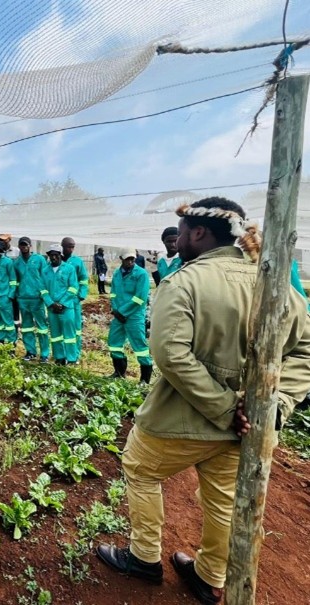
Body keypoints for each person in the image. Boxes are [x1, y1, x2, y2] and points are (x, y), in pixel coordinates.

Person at [96, 197, 310, 605]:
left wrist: (226, 409)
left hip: (178, 421)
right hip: (247, 427)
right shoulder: (276, 283)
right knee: (225, 499)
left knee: (140, 470)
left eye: (180, 233)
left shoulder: (185, 281)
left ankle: (143, 559)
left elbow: (172, 354)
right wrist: (273, 406)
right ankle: (209, 575)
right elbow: (304, 349)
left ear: (198, 233)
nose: (176, 241)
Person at [107, 249, 153, 383]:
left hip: (134, 316)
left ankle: (145, 379)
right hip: (118, 315)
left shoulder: (141, 274)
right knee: (114, 343)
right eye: (128, 259)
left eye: (133, 259)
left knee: (139, 346)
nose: (131, 261)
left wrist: (122, 312)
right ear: (121, 258)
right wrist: (115, 309)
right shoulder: (116, 274)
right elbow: (113, 294)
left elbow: (140, 298)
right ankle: (119, 372)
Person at [40, 244, 79, 365]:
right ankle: (60, 357)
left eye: (56, 255)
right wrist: (51, 304)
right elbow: (42, 289)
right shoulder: (45, 271)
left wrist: (62, 303)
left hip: (66, 308)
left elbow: (73, 288)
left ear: (60, 256)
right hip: (52, 309)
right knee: (56, 335)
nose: (53, 258)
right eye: (51, 255)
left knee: (69, 335)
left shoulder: (69, 269)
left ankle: (72, 359)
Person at [14, 237, 50, 361]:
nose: (24, 247)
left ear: (30, 246)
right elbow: (16, 280)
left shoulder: (39, 259)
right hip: (23, 299)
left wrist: (44, 294)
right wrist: (18, 295)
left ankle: (44, 354)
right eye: (21, 245)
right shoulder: (17, 262)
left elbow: (45, 276)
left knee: (42, 328)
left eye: (26, 245)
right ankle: (30, 351)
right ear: (19, 247)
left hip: (37, 299)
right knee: (26, 327)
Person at [61, 237, 89, 359]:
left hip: (73, 300)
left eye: (73, 247)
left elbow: (83, 279)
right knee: (61, 327)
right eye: (69, 246)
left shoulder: (77, 261)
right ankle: (62, 353)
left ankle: (75, 354)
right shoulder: (56, 259)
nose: (71, 249)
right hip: (59, 300)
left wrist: (80, 295)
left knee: (76, 327)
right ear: (62, 246)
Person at [0, 233, 22, 333]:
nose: (2, 242)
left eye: (4, 240)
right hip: (2, 286)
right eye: (0, 240)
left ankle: (16, 330)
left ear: (9, 240)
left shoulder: (17, 251)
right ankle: (4, 330)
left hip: (14, 284)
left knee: (15, 307)